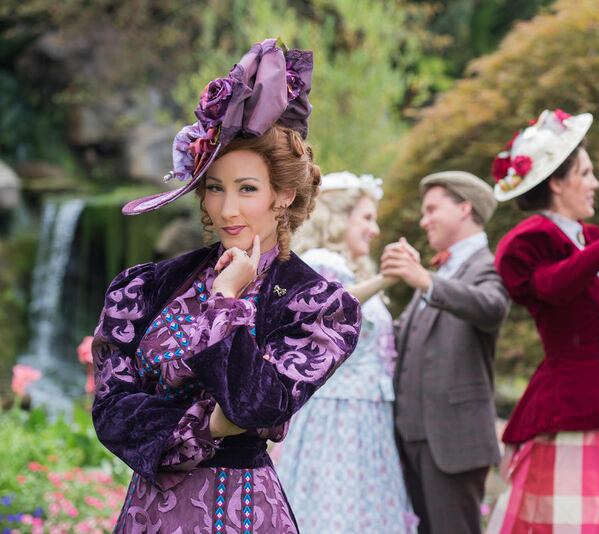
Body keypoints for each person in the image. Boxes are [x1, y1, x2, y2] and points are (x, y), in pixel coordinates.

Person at [91, 39, 362, 533]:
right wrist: (211, 427)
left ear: (284, 194)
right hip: (150, 516)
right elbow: (112, 412)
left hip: (242, 514)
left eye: (247, 189)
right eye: (214, 187)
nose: (227, 210)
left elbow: (256, 404)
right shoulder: (145, 287)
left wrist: (225, 302)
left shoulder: (318, 304)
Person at [488, 109, 599, 533]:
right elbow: (555, 286)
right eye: (586, 174)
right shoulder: (528, 240)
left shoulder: (587, 237)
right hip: (569, 405)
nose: (595, 184)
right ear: (557, 182)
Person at [276, 171, 417, 533]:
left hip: (365, 413)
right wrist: (387, 278)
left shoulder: (352, 271)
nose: (374, 229)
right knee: (336, 511)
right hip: (337, 416)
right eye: (367, 218)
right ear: (340, 218)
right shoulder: (323, 261)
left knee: (361, 512)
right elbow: (330, 307)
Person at [381, 170, 510, 534]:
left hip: (453, 441)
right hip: (411, 439)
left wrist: (424, 280)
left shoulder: (486, 265)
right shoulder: (442, 268)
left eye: (431, 209)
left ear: (464, 209)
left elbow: (492, 307)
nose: (424, 221)